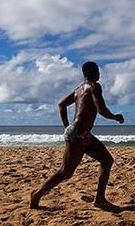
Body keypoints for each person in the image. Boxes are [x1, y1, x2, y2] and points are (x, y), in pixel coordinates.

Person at [30, 61, 124, 211]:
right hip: (79, 135)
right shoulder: (94, 86)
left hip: (82, 134)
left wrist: (67, 127)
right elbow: (101, 109)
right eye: (98, 70)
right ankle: (37, 194)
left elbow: (61, 104)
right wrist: (115, 117)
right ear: (92, 72)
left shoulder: (78, 90)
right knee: (65, 172)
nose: (99, 74)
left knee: (106, 160)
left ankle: (100, 199)